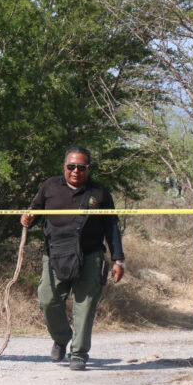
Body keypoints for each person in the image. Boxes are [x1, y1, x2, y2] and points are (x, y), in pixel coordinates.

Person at [21, 146, 125, 371]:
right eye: (71, 166)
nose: (76, 171)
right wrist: (28, 218)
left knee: (85, 306)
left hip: (90, 256)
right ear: (64, 167)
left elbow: (112, 226)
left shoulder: (100, 193)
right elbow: (35, 211)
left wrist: (118, 259)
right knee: (47, 300)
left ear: (89, 168)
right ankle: (61, 337)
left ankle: (78, 353)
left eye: (81, 167)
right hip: (55, 255)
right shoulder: (50, 186)